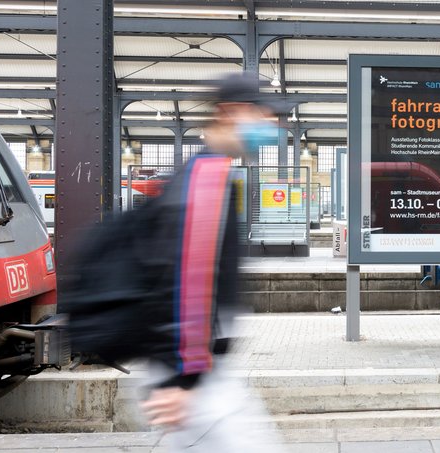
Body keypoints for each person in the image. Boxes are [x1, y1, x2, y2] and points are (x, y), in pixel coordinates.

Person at [65, 72, 284, 452]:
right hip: (194, 381)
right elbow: (188, 281)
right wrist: (181, 381)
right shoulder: (206, 178)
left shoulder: (204, 173)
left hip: (193, 373)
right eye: (264, 114)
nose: (272, 125)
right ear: (232, 112)